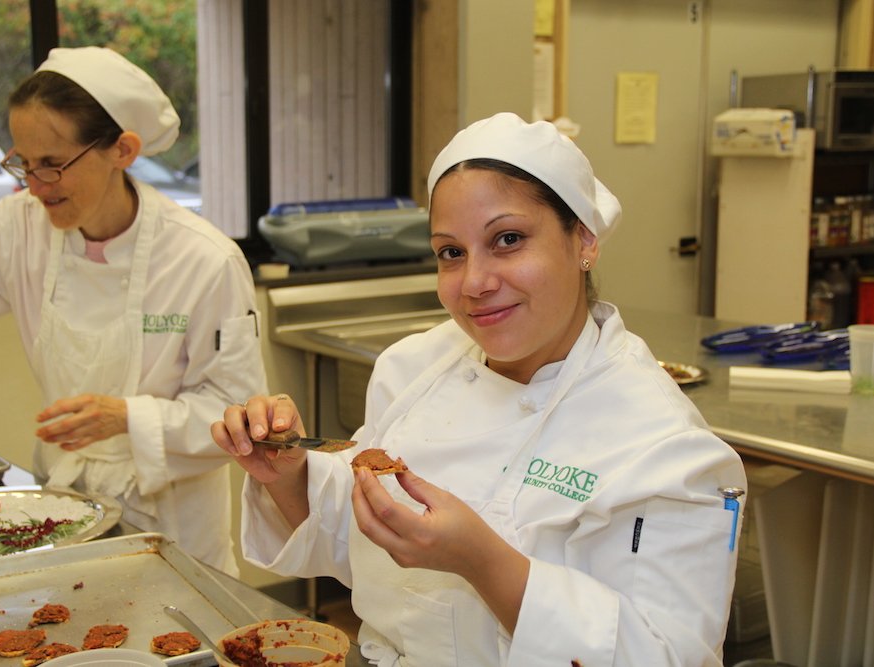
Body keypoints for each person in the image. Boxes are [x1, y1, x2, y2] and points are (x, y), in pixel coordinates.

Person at [212, 112, 746, 665]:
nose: (474, 283)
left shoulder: (662, 443)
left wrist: (482, 562)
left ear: (584, 239)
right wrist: (289, 475)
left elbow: (666, 655)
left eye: (508, 240)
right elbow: (361, 542)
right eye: (451, 252)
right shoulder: (413, 368)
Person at [0, 46, 267, 576]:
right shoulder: (16, 230)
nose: (35, 185)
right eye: (23, 163)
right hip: (63, 514)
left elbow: (239, 419)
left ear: (122, 150)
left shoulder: (204, 260)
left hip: (173, 532)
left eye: (53, 165)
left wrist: (126, 417)